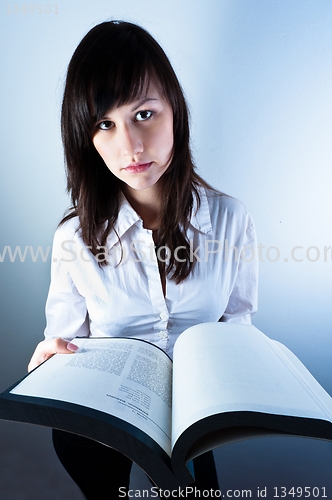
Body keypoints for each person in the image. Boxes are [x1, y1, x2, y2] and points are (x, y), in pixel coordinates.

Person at [28, 20, 258, 499]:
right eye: (105, 124)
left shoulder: (232, 222)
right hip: (99, 425)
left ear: (175, 111)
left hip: (191, 427)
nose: (129, 146)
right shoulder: (73, 236)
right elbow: (64, 339)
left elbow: (237, 329)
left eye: (145, 114)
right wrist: (50, 360)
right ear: (86, 136)